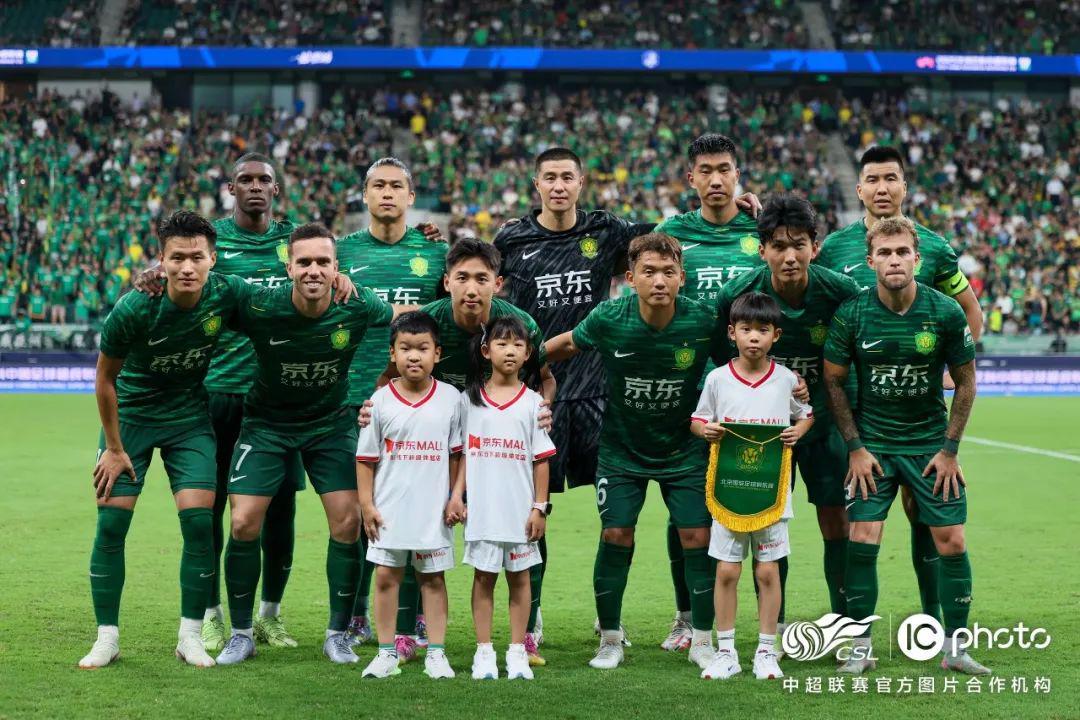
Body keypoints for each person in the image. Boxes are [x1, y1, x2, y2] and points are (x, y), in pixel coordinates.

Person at [134, 153, 363, 653]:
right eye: (245, 180)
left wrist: (346, 277)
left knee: (280, 510)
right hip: (217, 390)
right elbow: (179, 268)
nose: (255, 187)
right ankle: (212, 614)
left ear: (276, 189)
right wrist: (154, 272)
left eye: (264, 180)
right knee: (214, 508)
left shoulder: (293, 241)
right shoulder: (210, 242)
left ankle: (269, 616)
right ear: (231, 188)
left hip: (278, 400)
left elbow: (334, 263)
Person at [215, 223, 404, 667]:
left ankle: (337, 635)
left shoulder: (357, 303)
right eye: (304, 262)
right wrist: (154, 275)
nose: (313, 270)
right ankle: (241, 634)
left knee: (348, 521)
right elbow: (205, 292)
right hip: (266, 425)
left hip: (329, 425)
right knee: (242, 522)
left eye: (323, 262)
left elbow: (400, 317)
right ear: (289, 268)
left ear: (337, 268)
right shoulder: (261, 304)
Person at [359, 237, 556, 663]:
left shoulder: (519, 324)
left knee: (526, 528)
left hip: (499, 447)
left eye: (481, 279)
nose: (471, 288)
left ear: (497, 284)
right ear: (447, 281)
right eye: (462, 277)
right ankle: (408, 632)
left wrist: (542, 412)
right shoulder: (425, 323)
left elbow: (544, 378)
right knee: (415, 527)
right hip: (441, 448)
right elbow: (388, 377)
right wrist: (372, 409)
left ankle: (526, 634)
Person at [817, 146, 984, 629]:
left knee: (922, 513)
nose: (883, 188)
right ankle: (848, 624)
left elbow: (969, 310)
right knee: (848, 519)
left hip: (918, 416)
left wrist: (954, 368)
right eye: (873, 179)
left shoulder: (933, 246)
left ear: (905, 187)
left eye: (891, 178)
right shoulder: (834, 248)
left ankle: (931, 618)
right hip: (854, 412)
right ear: (859, 189)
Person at [79, 211, 249, 669]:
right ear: (161, 259)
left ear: (213, 259)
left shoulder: (226, 294)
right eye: (177, 258)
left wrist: (338, 282)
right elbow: (104, 379)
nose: (187, 267)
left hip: (188, 420)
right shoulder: (135, 307)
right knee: (111, 526)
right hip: (131, 420)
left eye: (196, 257)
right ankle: (106, 639)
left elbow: (279, 305)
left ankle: (190, 637)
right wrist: (115, 449)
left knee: (198, 525)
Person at [545, 233, 721, 671]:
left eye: (668, 272)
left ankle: (702, 640)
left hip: (685, 450)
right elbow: (565, 345)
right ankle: (610, 639)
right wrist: (518, 365)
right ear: (630, 277)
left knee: (697, 537)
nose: (659, 281)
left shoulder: (703, 320)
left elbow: (740, 361)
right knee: (616, 534)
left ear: (682, 277)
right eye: (649, 272)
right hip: (622, 450)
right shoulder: (610, 317)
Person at [715, 195, 860, 622]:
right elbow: (717, 360)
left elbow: (860, 361)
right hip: (762, 433)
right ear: (762, 251)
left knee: (836, 522)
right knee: (765, 527)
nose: (790, 256)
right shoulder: (737, 295)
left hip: (826, 427)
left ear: (815, 246)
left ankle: (845, 623)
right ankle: (773, 632)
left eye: (799, 244)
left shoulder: (841, 293)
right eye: (778, 246)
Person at [653, 133, 768, 650]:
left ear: (737, 174)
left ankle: (770, 623)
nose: (716, 179)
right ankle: (686, 616)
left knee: (764, 503)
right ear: (691, 178)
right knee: (686, 511)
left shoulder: (760, 229)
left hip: (754, 393)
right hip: (687, 392)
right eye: (706, 170)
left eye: (725, 169)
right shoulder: (672, 234)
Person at [338, 157, 448, 650]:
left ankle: (416, 618)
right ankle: (355, 617)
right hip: (353, 399)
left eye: (396, 186)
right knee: (356, 516)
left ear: (410, 196)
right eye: (378, 185)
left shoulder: (434, 252)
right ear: (365, 195)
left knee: (417, 511)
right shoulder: (341, 252)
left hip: (415, 406)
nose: (387, 193)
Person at [691, 292, 814, 681]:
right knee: (727, 572)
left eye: (763, 330)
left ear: (776, 335)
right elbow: (698, 420)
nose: (754, 337)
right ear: (732, 333)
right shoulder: (717, 378)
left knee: (767, 573)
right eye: (746, 329)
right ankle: (726, 652)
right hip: (729, 490)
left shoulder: (787, 379)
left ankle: (766, 651)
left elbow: (806, 415)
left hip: (770, 493)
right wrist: (706, 430)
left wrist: (799, 430)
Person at [446, 316, 555, 681]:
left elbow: (541, 460)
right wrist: (456, 496)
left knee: (521, 579)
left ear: (528, 354)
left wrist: (539, 507)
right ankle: (484, 652)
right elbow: (462, 453)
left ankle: (517, 651)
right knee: (484, 579)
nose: (510, 351)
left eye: (517, 345)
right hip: (483, 512)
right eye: (502, 343)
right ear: (485, 350)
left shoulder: (534, 403)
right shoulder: (468, 401)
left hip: (520, 512)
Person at [356, 311, 463, 680]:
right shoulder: (380, 401)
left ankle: (437, 653)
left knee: (433, 579)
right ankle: (386, 652)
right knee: (386, 577)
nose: (414, 356)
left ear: (437, 353)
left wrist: (456, 496)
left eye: (423, 348)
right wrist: (367, 505)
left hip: (434, 511)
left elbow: (458, 454)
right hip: (389, 509)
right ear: (392, 353)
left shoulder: (451, 399)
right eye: (405, 348)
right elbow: (366, 458)